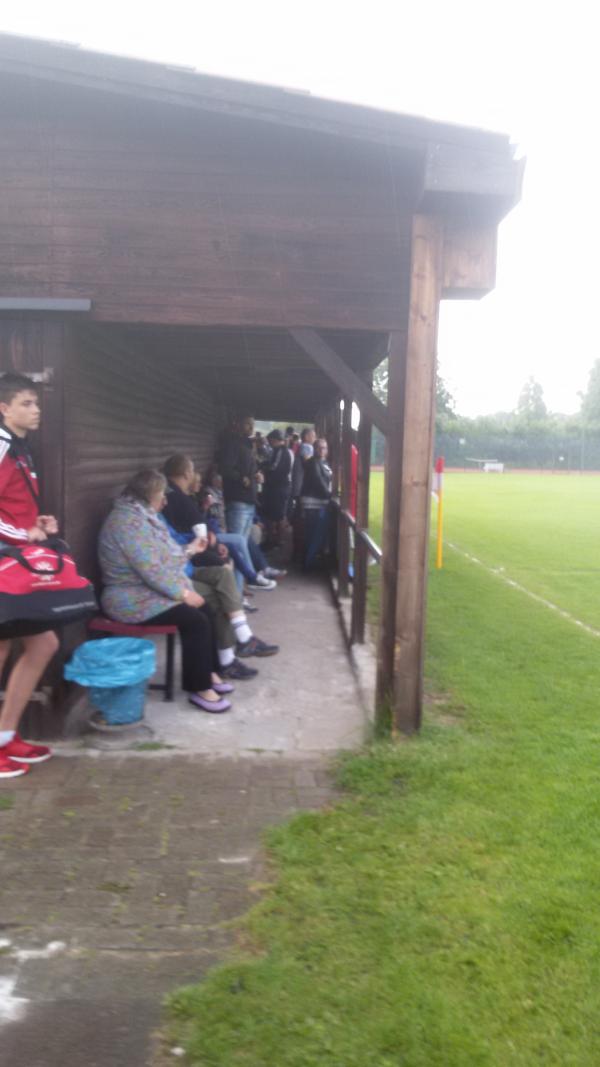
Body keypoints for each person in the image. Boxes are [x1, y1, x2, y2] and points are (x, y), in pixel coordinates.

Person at [98, 469, 233, 714]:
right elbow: (151, 569)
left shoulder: (143, 516)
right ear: (148, 495)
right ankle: (199, 688)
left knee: (205, 608)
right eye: (161, 495)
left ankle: (209, 672)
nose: (165, 501)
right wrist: (182, 594)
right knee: (195, 621)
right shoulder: (127, 522)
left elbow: (165, 555)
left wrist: (191, 549)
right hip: (128, 599)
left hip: (146, 592)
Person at [162, 455, 279, 671]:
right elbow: (194, 529)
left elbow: (190, 528)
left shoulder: (170, 499)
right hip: (181, 564)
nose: (162, 502)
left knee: (229, 559)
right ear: (186, 473)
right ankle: (236, 643)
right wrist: (205, 544)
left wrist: (208, 540)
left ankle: (239, 641)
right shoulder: (173, 496)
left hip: (185, 556)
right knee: (224, 567)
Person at [0, 373, 60, 777]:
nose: (35, 410)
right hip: (4, 561)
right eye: (25, 403)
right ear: (4, 409)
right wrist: (26, 534)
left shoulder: (21, 447)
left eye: (36, 403)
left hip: (19, 563)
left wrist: (37, 522)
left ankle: (6, 737)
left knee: (42, 645)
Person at [219, 415, 264, 542]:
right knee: (236, 543)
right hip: (237, 500)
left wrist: (258, 474)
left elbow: (251, 468)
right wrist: (241, 478)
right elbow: (224, 468)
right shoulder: (232, 443)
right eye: (248, 424)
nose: (251, 427)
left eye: (253, 425)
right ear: (238, 425)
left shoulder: (249, 445)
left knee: (242, 543)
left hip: (250, 500)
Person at [300, 438, 333, 569]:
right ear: (314, 449)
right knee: (312, 534)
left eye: (324, 447)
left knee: (315, 534)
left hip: (320, 502)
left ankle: (310, 561)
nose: (322, 450)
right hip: (312, 503)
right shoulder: (313, 462)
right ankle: (308, 564)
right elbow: (318, 481)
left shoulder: (323, 462)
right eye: (319, 447)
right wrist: (330, 495)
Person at [262, 429, 293, 547]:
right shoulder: (281, 451)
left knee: (278, 516)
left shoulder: (281, 451)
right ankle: (275, 540)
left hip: (279, 488)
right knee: (276, 515)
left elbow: (274, 468)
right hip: (279, 487)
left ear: (275, 440)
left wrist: (264, 469)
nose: (269, 443)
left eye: (270, 440)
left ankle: (277, 541)